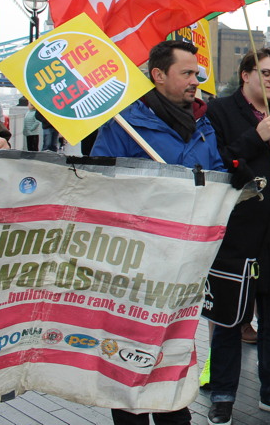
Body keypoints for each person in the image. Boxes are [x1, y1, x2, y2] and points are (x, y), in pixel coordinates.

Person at [91, 40, 223, 425]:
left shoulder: (203, 122)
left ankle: (173, 412)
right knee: (128, 357)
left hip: (184, 265)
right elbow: (101, 181)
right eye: (187, 73)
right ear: (158, 75)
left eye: (197, 73)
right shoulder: (125, 124)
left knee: (174, 351)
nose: (195, 80)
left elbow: (214, 173)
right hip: (137, 263)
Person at [204, 48, 270, 425]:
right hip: (237, 237)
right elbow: (216, 163)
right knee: (231, 323)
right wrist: (255, 136)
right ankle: (223, 395)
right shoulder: (218, 111)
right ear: (246, 74)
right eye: (266, 73)